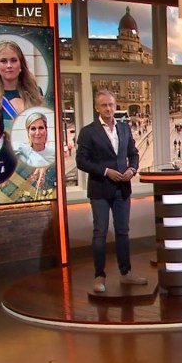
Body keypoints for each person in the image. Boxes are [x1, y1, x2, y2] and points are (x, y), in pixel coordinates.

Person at [75, 89, 148, 294]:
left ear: (115, 106)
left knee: (123, 231)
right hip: (100, 189)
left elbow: (133, 153)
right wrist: (106, 171)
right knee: (100, 232)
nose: (108, 108)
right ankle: (99, 276)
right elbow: (81, 161)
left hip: (122, 189)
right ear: (97, 108)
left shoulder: (124, 128)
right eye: (104, 105)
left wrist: (132, 169)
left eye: (111, 105)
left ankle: (126, 273)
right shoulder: (88, 132)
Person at [0, 41, 45, 122]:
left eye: (13, 60)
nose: (9, 65)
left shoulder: (36, 93)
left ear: (21, 64)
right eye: (3, 61)